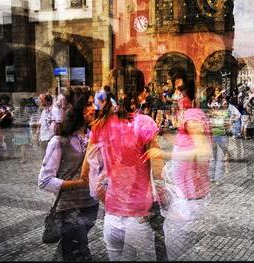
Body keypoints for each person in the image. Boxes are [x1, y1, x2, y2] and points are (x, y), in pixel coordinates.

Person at [88, 71, 163, 261]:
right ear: (140, 93)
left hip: (112, 216)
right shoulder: (145, 123)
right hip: (139, 216)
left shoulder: (100, 124)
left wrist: (103, 195)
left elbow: (90, 169)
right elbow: (158, 172)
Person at [142, 77, 212, 261]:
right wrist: (167, 135)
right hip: (187, 194)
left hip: (188, 198)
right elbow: (187, 144)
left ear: (184, 93)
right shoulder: (191, 116)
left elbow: (204, 151)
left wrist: (164, 155)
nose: (175, 96)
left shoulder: (192, 116)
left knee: (175, 248)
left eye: (177, 91)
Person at [38, 94, 99, 261]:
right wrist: (79, 183)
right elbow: (44, 181)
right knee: (81, 252)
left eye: (93, 103)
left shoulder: (94, 136)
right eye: (88, 104)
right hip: (69, 208)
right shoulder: (59, 141)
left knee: (71, 248)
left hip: (91, 205)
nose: (94, 108)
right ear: (75, 109)